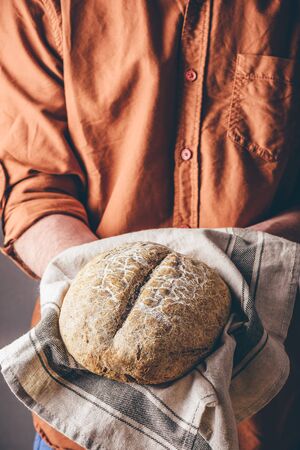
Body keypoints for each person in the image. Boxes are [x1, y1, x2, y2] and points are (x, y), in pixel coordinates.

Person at [0, 1, 299, 449]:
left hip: (257, 416)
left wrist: (244, 261)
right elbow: (33, 185)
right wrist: (100, 289)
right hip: (85, 420)